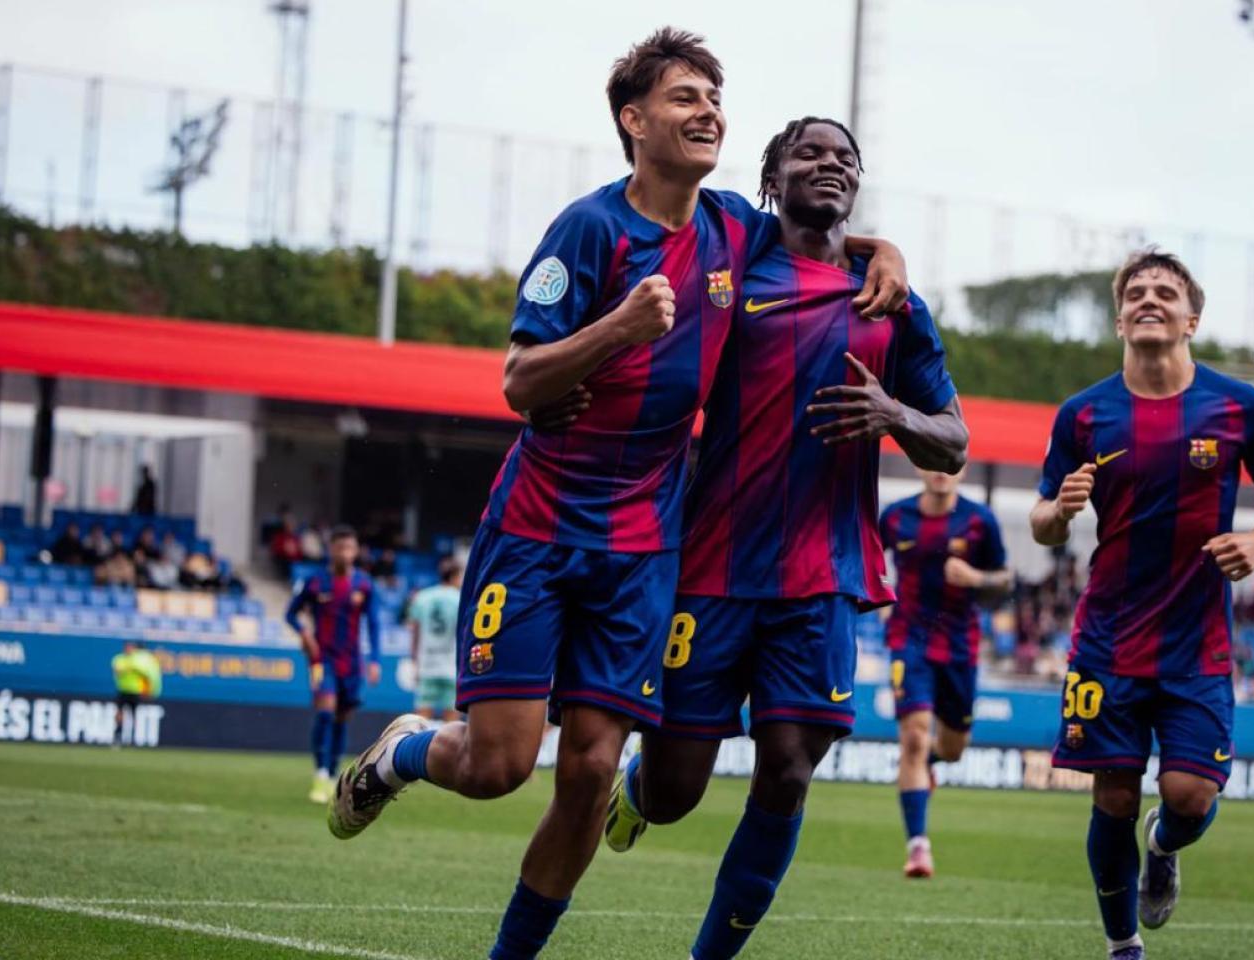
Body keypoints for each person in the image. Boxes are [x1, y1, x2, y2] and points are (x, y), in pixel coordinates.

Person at [327, 31, 909, 960]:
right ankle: (404, 750)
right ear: (634, 123)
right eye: (684, 97)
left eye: (715, 96)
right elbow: (519, 381)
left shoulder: (732, 229)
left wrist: (887, 252)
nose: (707, 110)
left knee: (595, 770)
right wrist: (619, 326)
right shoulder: (589, 230)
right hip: (540, 528)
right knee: (498, 768)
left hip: (644, 549)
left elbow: (822, 225)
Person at [601, 115, 965, 960]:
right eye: (809, 153)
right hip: (712, 565)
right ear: (774, 174)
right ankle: (640, 791)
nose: (828, 165)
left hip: (822, 573)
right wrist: (886, 244)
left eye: (844, 159)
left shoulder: (892, 302)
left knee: (790, 766)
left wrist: (893, 414)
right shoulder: (734, 246)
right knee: (677, 792)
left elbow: (953, 437)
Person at [1030, 248, 1254, 960]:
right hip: (1107, 639)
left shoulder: (1239, 405)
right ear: (1120, 316)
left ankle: (1164, 845)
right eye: (1137, 292)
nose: (1150, 299)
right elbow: (1041, 521)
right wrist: (1060, 509)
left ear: (1192, 318)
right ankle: (1123, 947)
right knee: (1111, 797)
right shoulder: (1083, 414)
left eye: (1166, 292)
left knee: (1188, 797)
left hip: (1197, 643)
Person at [878, 466, 1010, 878]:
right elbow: (865, 559)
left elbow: (1005, 580)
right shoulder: (896, 517)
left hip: (959, 646)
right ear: (918, 465)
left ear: (962, 467)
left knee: (953, 748)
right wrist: (880, 603)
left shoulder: (978, 519)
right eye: (931, 462)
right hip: (908, 640)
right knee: (914, 736)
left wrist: (976, 577)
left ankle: (929, 763)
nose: (940, 471)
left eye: (949, 462)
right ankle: (918, 847)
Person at [285, 526, 382, 804]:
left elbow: (373, 623)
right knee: (325, 713)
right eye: (340, 548)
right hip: (322, 659)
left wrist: (374, 659)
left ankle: (335, 774)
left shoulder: (364, 584)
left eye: (350, 548)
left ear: (356, 551)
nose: (345, 553)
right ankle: (321, 774)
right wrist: (304, 634)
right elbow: (290, 613)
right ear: (331, 550)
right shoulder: (315, 582)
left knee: (341, 719)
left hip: (351, 662)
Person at [407, 556, 464, 722]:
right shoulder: (461, 598)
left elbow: (415, 632)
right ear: (455, 576)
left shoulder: (422, 597)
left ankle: (420, 748)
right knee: (452, 722)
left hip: (427, 664)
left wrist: (414, 660)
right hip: (451, 666)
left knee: (420, 721)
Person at [110, 641, 161, 747]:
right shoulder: (119, 659)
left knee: (134, 715)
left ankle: (132, 738)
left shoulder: (138, 660)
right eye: (128, 648)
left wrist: (148, 691)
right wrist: (130, 668)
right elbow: (117, 671)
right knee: (120, 713)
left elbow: (146, 674)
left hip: (135, 691)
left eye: (131, 648)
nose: (129, 650)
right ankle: (118, 734)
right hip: (123, 690)